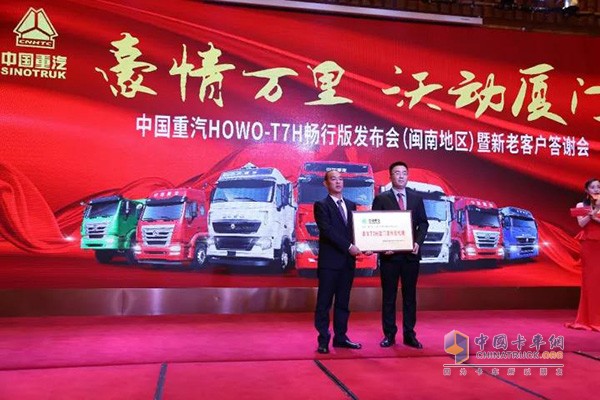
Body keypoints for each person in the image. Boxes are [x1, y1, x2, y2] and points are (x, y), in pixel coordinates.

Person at [372, 161, 429, 348]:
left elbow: (423, 223)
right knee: (389, 297)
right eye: (397, 173)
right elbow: (375, 226)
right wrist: (382, 247)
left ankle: (409, 335)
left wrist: (417, 242)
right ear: (390, 176)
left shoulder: (416, 198)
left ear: (408, 176)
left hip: (411, 256)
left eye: (404, 173)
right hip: (390, 257)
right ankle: (389, 334)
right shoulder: (381, 199)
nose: (401, 176)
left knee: (410, 297)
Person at [313, 170, 363, 354]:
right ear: (326, 184)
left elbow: (356, 231)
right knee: (324, 303)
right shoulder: (321, 205)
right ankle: (323, 339)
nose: (338, 182)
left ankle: (341, 338)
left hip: (347, 263)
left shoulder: (351, 205)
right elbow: (327, 231)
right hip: (329, 264)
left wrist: (365, 245)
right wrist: (349, 246)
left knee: (343, 303)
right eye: (333, 179)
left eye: (340, 179)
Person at [566, 178, 600, 332]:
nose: (596, 189)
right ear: (587, 190)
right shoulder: (581, 205)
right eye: (593, 187)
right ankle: (588, 318)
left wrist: (597, 212)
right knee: (591, 281)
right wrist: (592, 213)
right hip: (589, 245)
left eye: (599, 187)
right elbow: (581, 224)